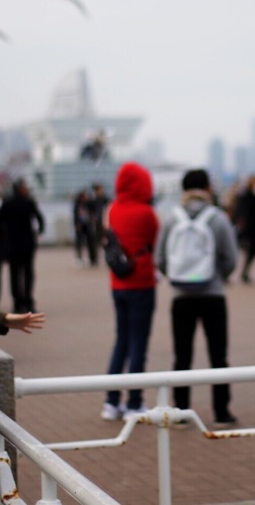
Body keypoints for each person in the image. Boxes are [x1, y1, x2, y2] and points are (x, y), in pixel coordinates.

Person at [155, 168, 239, 427]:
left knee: (182, 356)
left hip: (181, 297)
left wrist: (178, 277)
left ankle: (181, 411)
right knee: (218, 356)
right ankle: (221, 412)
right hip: (213, 295)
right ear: (207, 188)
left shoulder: (172, 218)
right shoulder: (218, 218)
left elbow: (159, 259)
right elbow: (231, 259)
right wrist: (215, 277)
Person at [101, 162, 159, 421]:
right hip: (142, 282)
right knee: (139, 344)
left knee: (120, 341)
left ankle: (111, 402)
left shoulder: (112, 209)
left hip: (117, 283)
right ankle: (134, 402)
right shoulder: (147, 213)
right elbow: (152, 241)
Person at [0, 179, 45, 314]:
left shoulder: (7, 203)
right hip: (27, 244)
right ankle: (28, 302)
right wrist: (38, 232)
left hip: (12, 245)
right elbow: (40, 219)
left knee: (14, 274)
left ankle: (17, 303)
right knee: (28, 273)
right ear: (20, 189)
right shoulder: (28, 202)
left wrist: (3, 237)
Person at [72, 189, 96, 267]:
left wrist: (93, 220)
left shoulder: (90, 203)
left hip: (88, 225)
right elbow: (75, 215)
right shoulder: (77, 204)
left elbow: (94, 212)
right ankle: (79, 258)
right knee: (79, 243)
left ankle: (93, 259)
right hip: (80, 225)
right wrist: (77, 224)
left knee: (91, 242)